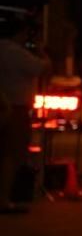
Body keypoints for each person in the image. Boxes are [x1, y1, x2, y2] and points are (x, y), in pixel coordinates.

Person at [0, 12, 50, 214]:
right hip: (16, 108)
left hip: (5, 104)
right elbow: (43, 68)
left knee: (4, 153)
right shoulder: (15, 52)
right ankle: (4, 200)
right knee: (12, 155)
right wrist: (42, 51)